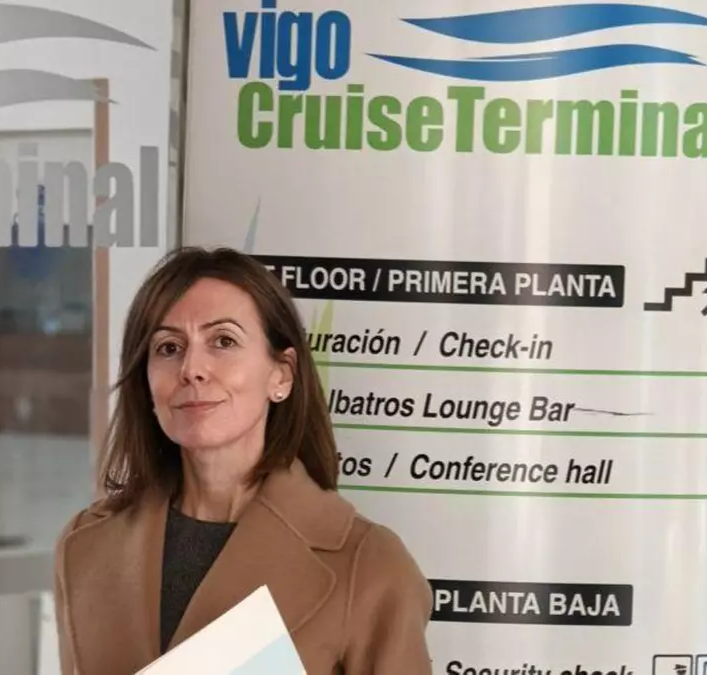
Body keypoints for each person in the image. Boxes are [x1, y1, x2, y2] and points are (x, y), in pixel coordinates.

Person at [52, 246, 433, 674]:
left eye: (223, 341)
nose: (192, 368)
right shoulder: (84, 547)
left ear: (281, 374)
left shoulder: (369, 564)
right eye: (169, 347)